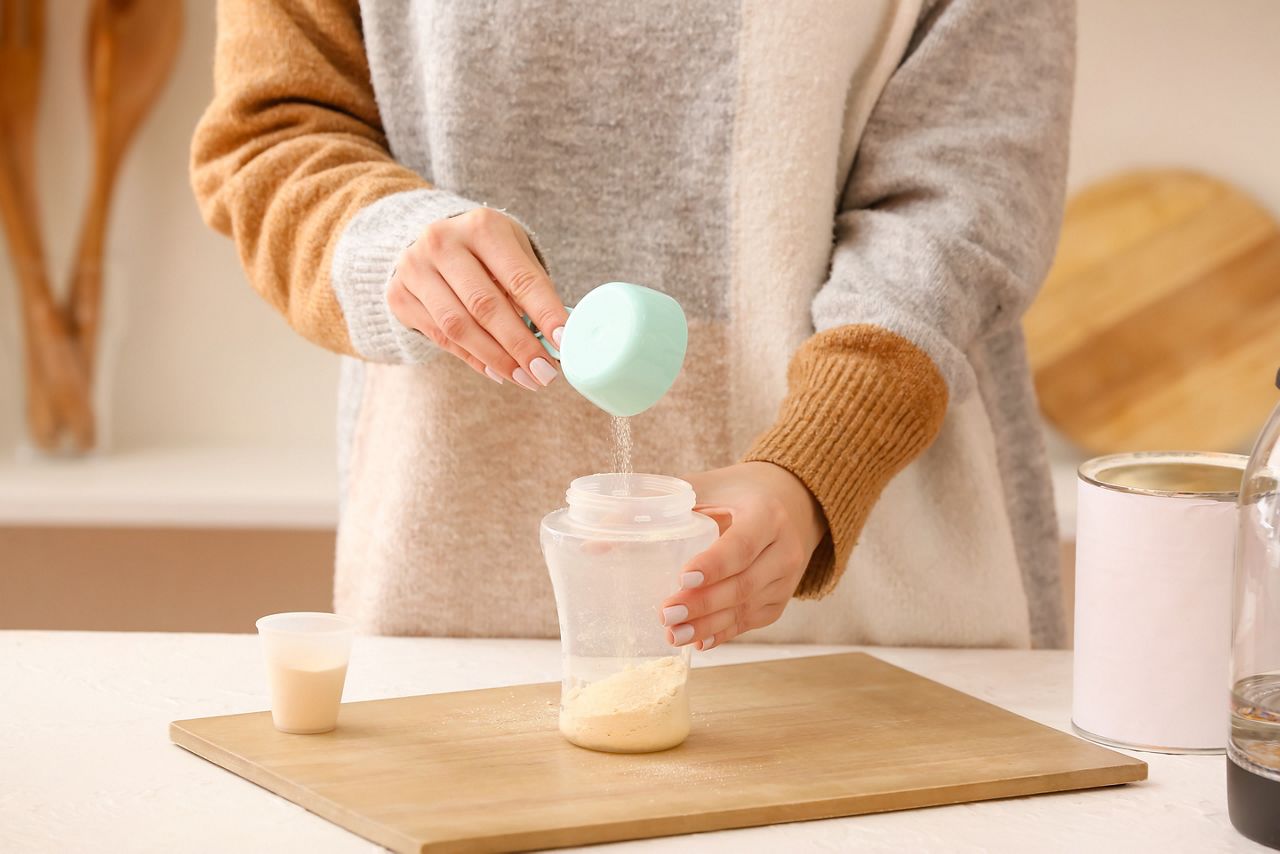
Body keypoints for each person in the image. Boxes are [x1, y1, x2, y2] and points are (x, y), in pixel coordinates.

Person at [192, 0, 1074, 649]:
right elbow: (272, 132)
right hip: (452, 602)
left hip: (879, 600)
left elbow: (968, 194)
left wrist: (817, 464)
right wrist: (393, 244)